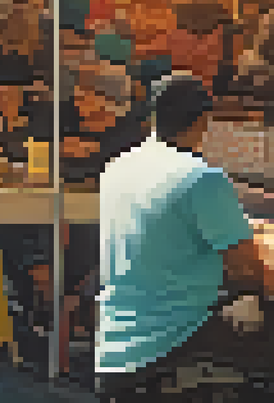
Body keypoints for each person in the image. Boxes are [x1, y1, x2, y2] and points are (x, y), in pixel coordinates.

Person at [95, 75, 272, 400]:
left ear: (151, 117)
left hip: (114, 341)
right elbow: (248, 269)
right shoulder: (201, 177)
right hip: (177, 338)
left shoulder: (117, 168)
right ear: (204, 121)